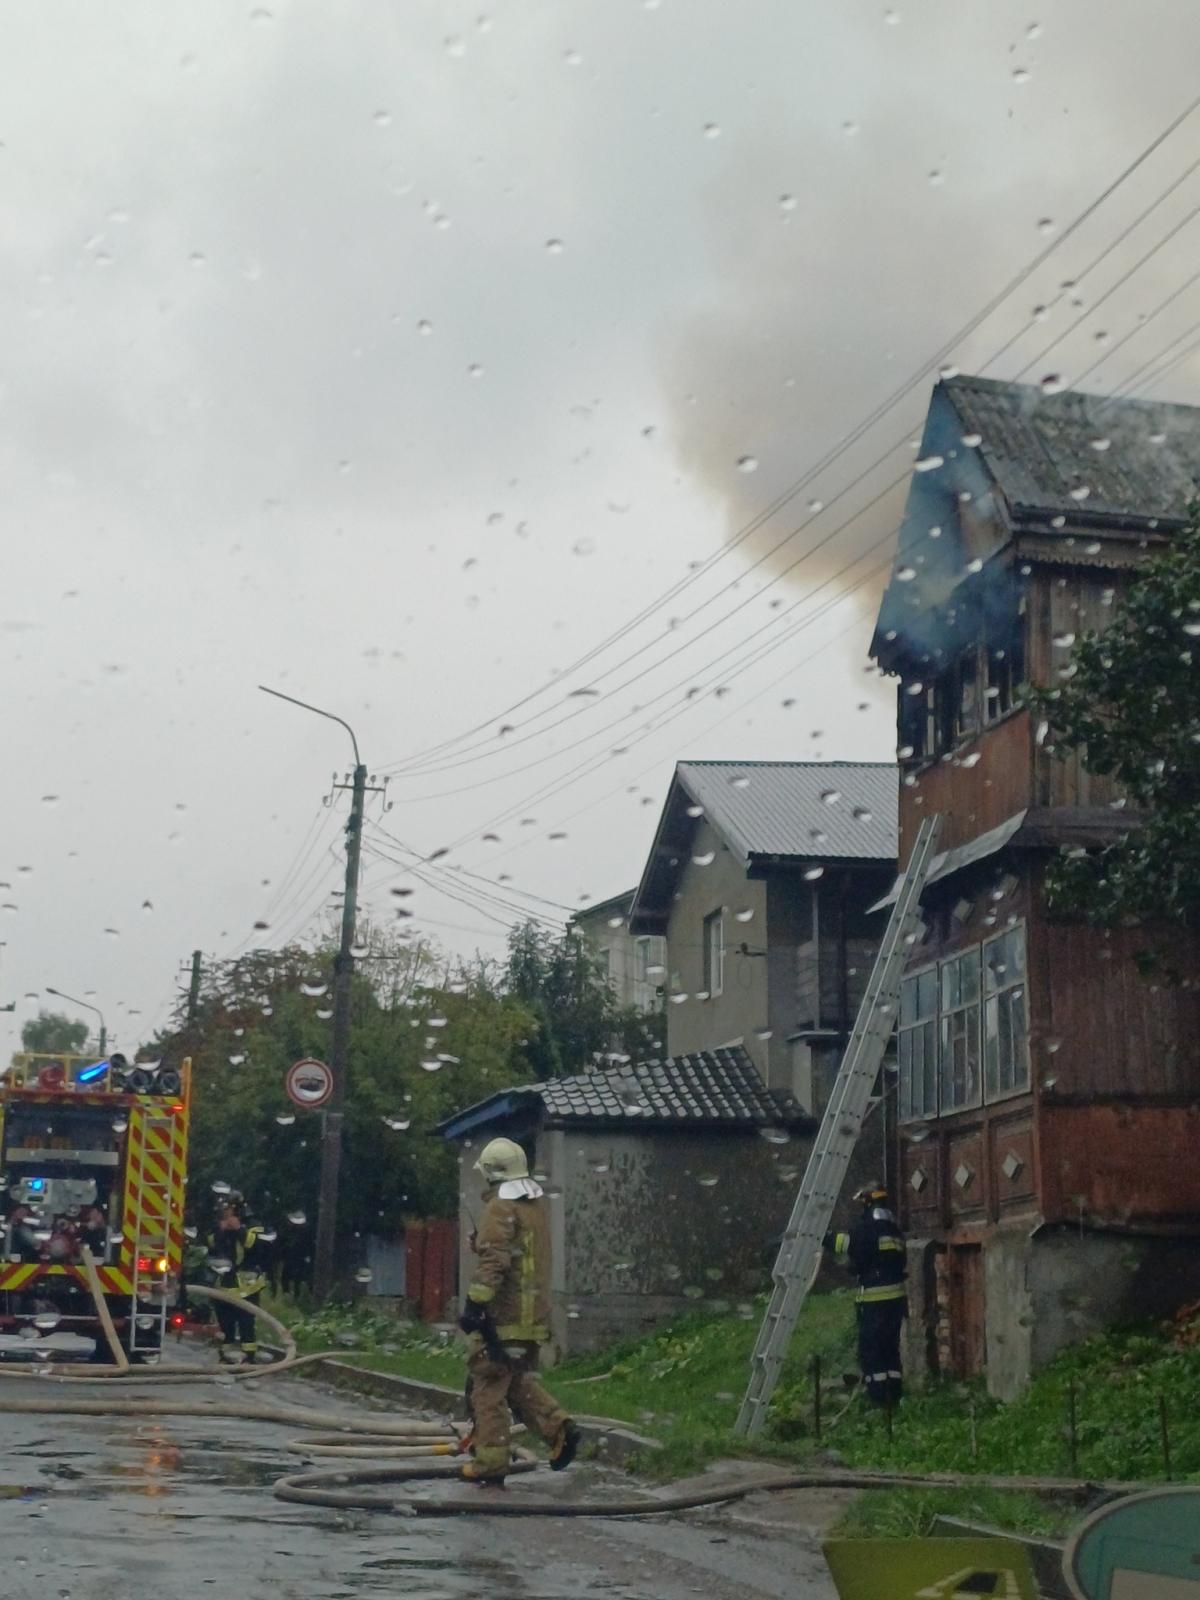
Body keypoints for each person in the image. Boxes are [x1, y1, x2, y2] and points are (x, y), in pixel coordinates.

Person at [457, 1137, 580, 1485]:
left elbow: (496, 1259)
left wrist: (475, 1303)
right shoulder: (533, 1206)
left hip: (504, 1317)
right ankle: (559, 1429)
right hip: (533, 1318)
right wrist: (481, 1242)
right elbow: (516, 1253)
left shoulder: (499, 1207)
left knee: (488, 1388)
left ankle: (490, 1464)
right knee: (515, 1383)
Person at [823, 1181, 906, 1408]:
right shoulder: (892, 1225)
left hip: (875, 1301)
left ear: (868, 1202)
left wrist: (825, 1237)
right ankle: (894, 1395)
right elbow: (880, 1257)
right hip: (895, 1301)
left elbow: (850, 1244)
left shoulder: (870, 1226)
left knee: (871, 1349)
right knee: (890, 1349)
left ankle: (879, 1399)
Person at [204, 1195, 268, 1363]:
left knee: (247, 1323)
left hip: (247, 1286)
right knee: (226, 1324)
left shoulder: (253, 1224)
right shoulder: (217, 1224)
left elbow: (256, 1247)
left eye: (228, 1208)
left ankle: (249, 1357)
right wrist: (221, 1230)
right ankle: (227, 1356)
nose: (224, 1211)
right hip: (223, 1284)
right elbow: (210, 1245)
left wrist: (239, 1229)